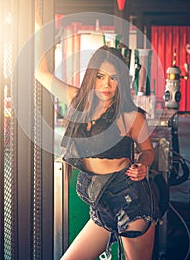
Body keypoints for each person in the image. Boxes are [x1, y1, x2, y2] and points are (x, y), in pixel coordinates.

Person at [35, 40, 160, 260]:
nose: (107, 85)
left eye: (114, 78)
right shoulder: (78, 102)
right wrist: (39, 27)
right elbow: (41, 73)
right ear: (91, 76)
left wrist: (143, 165)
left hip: (129, 199)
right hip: (100, 202)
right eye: (100, 76)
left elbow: (149, 151)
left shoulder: (131, 116)